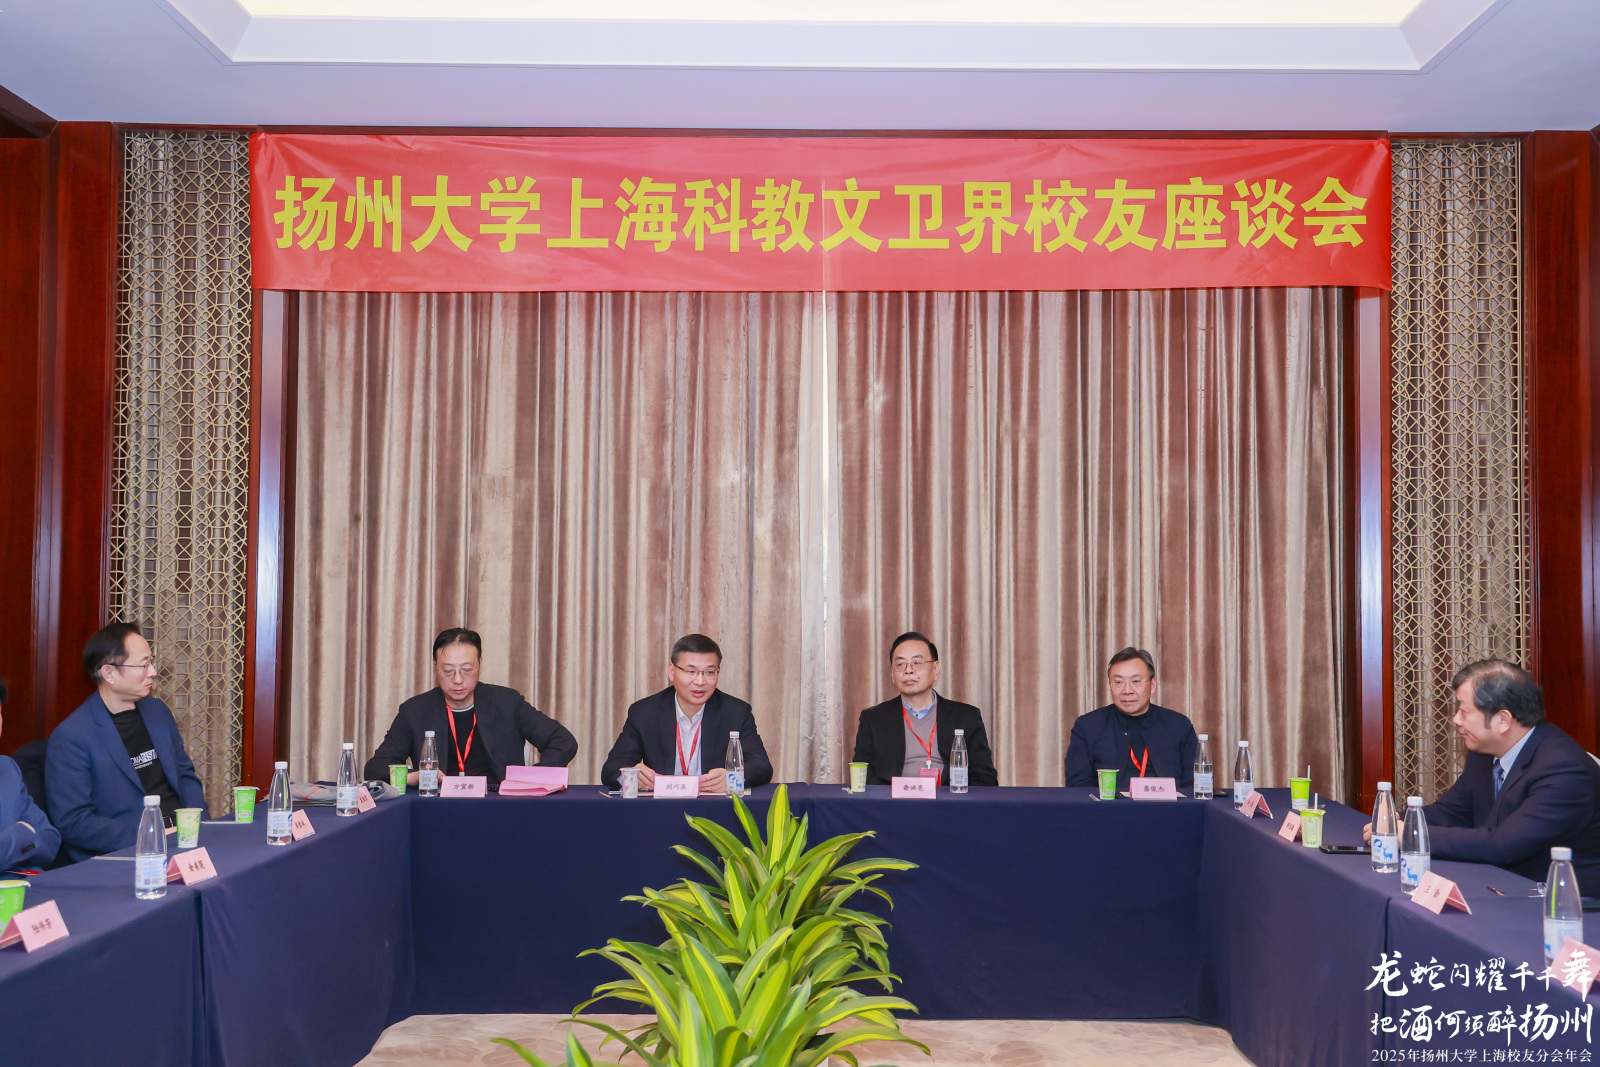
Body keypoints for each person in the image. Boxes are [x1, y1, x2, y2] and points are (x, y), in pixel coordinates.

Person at [1366, 660, 1600, 893]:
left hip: (1560, 901)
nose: (1456, 719)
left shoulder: (1565, 771)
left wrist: (1411, 835)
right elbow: (1454, 811)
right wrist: (1399, 822)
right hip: (1498, 885)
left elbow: (1504, 846)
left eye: (1464, 711)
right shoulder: (1485, 752)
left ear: (1503, 720)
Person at [46, 623, 208, 862]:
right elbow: (74, 822)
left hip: (185, 841)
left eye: (151, 662)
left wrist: (195, 823)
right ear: (109, 673)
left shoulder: (157, 711)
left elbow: (185, 775)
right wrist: (151, 835)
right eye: (143, 665)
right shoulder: (72, 737)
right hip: (127, 854)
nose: (153, 672)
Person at [365, 628, 577, 787]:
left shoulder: (507, 702)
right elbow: (376, 767)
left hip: (498, 804)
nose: (458, 680)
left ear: (480, 665)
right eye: (448, 671)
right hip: (438, 807)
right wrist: (414, 776)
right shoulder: (415, 710)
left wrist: (530, 779)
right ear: (435, 668)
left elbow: (563, 741)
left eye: (467, 670)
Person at [600, 633, 772, 792]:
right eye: (691, 671)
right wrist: (632, 775)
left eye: (709, 672)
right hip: (661, 806)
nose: (700, 681)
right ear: (672, 672)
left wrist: (733, 778)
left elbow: (761, 766)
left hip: (713, 807)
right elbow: (612, 768)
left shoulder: (736, 712)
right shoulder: (644, 713)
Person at [851, 631, 998, 786]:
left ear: (936, 669)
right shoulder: (873, 719)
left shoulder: (966, 717)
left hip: (948, 798)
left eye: (917, 663)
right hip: (893, 799)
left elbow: (985, 778)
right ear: (892, 675)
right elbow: (863, 777)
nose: (908, 670)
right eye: (900, 664)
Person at [1064, 647, 1199, 792]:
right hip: (1109, 805)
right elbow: (1078, 785)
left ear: (1152, 685)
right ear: (1110, 686)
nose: (1127, 690)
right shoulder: (1088, 726)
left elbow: (1194, 783)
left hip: (1170, 805)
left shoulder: (1178, 726)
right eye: (1118, 682)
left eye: (1136, 681)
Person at [0, 678, 60, 871]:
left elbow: (50, 839)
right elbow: (32, 837)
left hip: (27, 884)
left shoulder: (7, 768)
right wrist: (22, 834)